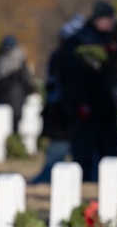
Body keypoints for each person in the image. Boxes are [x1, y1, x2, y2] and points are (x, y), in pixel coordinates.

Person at [62, 0, 117, 182]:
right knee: (84, 145)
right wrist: (80, 101)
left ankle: (107, 181)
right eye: (108, 18)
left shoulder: (111, 40)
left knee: (110, 144)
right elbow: (72, 74)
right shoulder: (80, 41)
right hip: (87, 101)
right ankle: (83, 179)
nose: (112, 22)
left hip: (107, 101)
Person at [32, 14, 83, 184]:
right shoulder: (63, 57)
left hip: (65, 109)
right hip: (61, 111)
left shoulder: (61, 55)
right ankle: (44, 180)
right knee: (57, 152)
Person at [0, 35, 34, 133]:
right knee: (15, 125)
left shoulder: (0, 61)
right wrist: (29, 90)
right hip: (17, 99)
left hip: (2, 99)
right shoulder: (20, 61)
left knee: (3, 128)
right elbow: (26, 79)